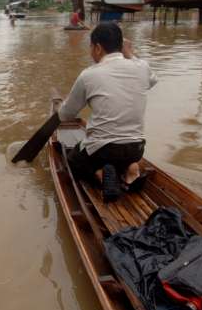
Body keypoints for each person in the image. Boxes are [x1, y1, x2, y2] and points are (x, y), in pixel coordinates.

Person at [58, 22, 158, 202]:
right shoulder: (141, 67)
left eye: (90, 47)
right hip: (136, 148)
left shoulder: (89, 75)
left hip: (104, 150)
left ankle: (102, 173)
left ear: (97, 48)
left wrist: (60, 109)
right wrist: (129, 53)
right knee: (119, 152)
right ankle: (131, 170)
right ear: (121, 46)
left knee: (73, 160)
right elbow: (152, 80)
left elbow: (66, 115)